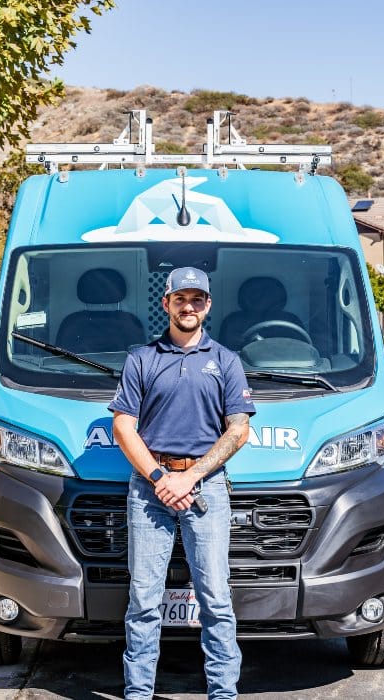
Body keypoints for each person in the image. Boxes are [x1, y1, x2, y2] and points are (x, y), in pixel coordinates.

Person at [109, 266, 255, 700]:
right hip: (149, 490)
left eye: (197, 299)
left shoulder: (226, 360)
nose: (188, 307)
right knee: (143, 599)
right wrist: (159, 478)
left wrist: (189, 475)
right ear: (166, 302)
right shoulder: (141, 359)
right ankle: (138, 693)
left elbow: (239, 429)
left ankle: (223, 692)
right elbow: (123, 427)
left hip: (205, 488)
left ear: (207, 305)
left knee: (215, 596)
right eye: (180, 299)